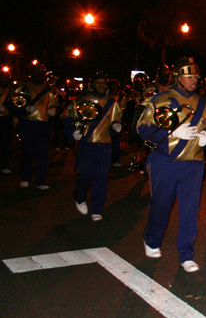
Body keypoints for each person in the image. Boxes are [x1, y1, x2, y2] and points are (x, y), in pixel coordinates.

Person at [138, 57, 206, 273]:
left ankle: (186, 254)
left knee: (190, 209)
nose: (194, 80)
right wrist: (170, 133)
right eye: (189, 76)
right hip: (165, 161)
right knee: (161, 205)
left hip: (193, 163)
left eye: (196, 77)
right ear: (177, 77)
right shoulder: (160, 99)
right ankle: (152, 240)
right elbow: (143, 129)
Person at [64, 72, 123, 220]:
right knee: (85, 175)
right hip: (86, 144)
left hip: (104, 145)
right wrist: (73, 133)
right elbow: (69, 121)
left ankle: (96, 209)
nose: (102, 86)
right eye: (99, 82)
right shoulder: (80, 101)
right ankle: (79, 195)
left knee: (101, 178)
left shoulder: (112, 103)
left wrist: (116, 127)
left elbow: (116, 121)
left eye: (104, 83)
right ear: (92, 84)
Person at [11, 62, 58, 189]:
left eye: (41, 73)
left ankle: (41, 181)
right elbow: (14, 104)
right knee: (28, 152)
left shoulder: (49, 89)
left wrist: (53, 111)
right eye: (36, 73)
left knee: (43, 154)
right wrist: (25, 109)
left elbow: (55, 104)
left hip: (44, 125)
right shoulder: (24, 87)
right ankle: (25, 178)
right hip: (28, 123)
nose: (39, 75)